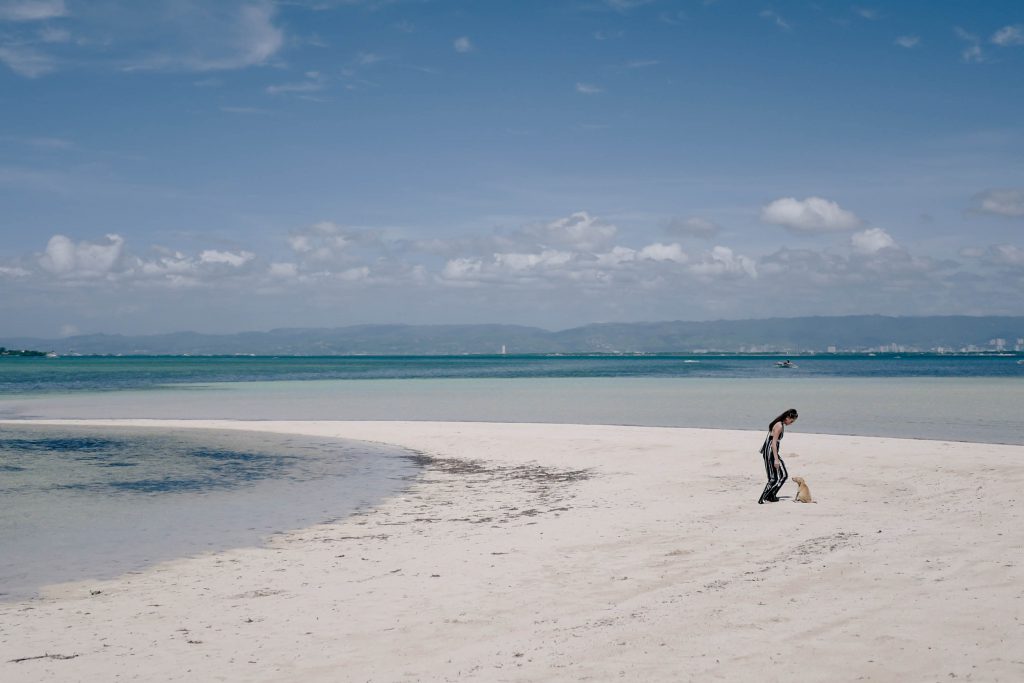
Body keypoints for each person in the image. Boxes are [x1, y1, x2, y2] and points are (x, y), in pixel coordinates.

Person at [758, 408, 798, 504]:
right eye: (791, 421)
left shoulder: (780, 424)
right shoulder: (779, 425)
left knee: (783, 475)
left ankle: (772, 496)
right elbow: (773, 443)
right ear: (787, 417)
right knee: (774, 478)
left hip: (771, 452)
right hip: (770, 452)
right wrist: (776, 459)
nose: (791, 423)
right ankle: (762, 499)